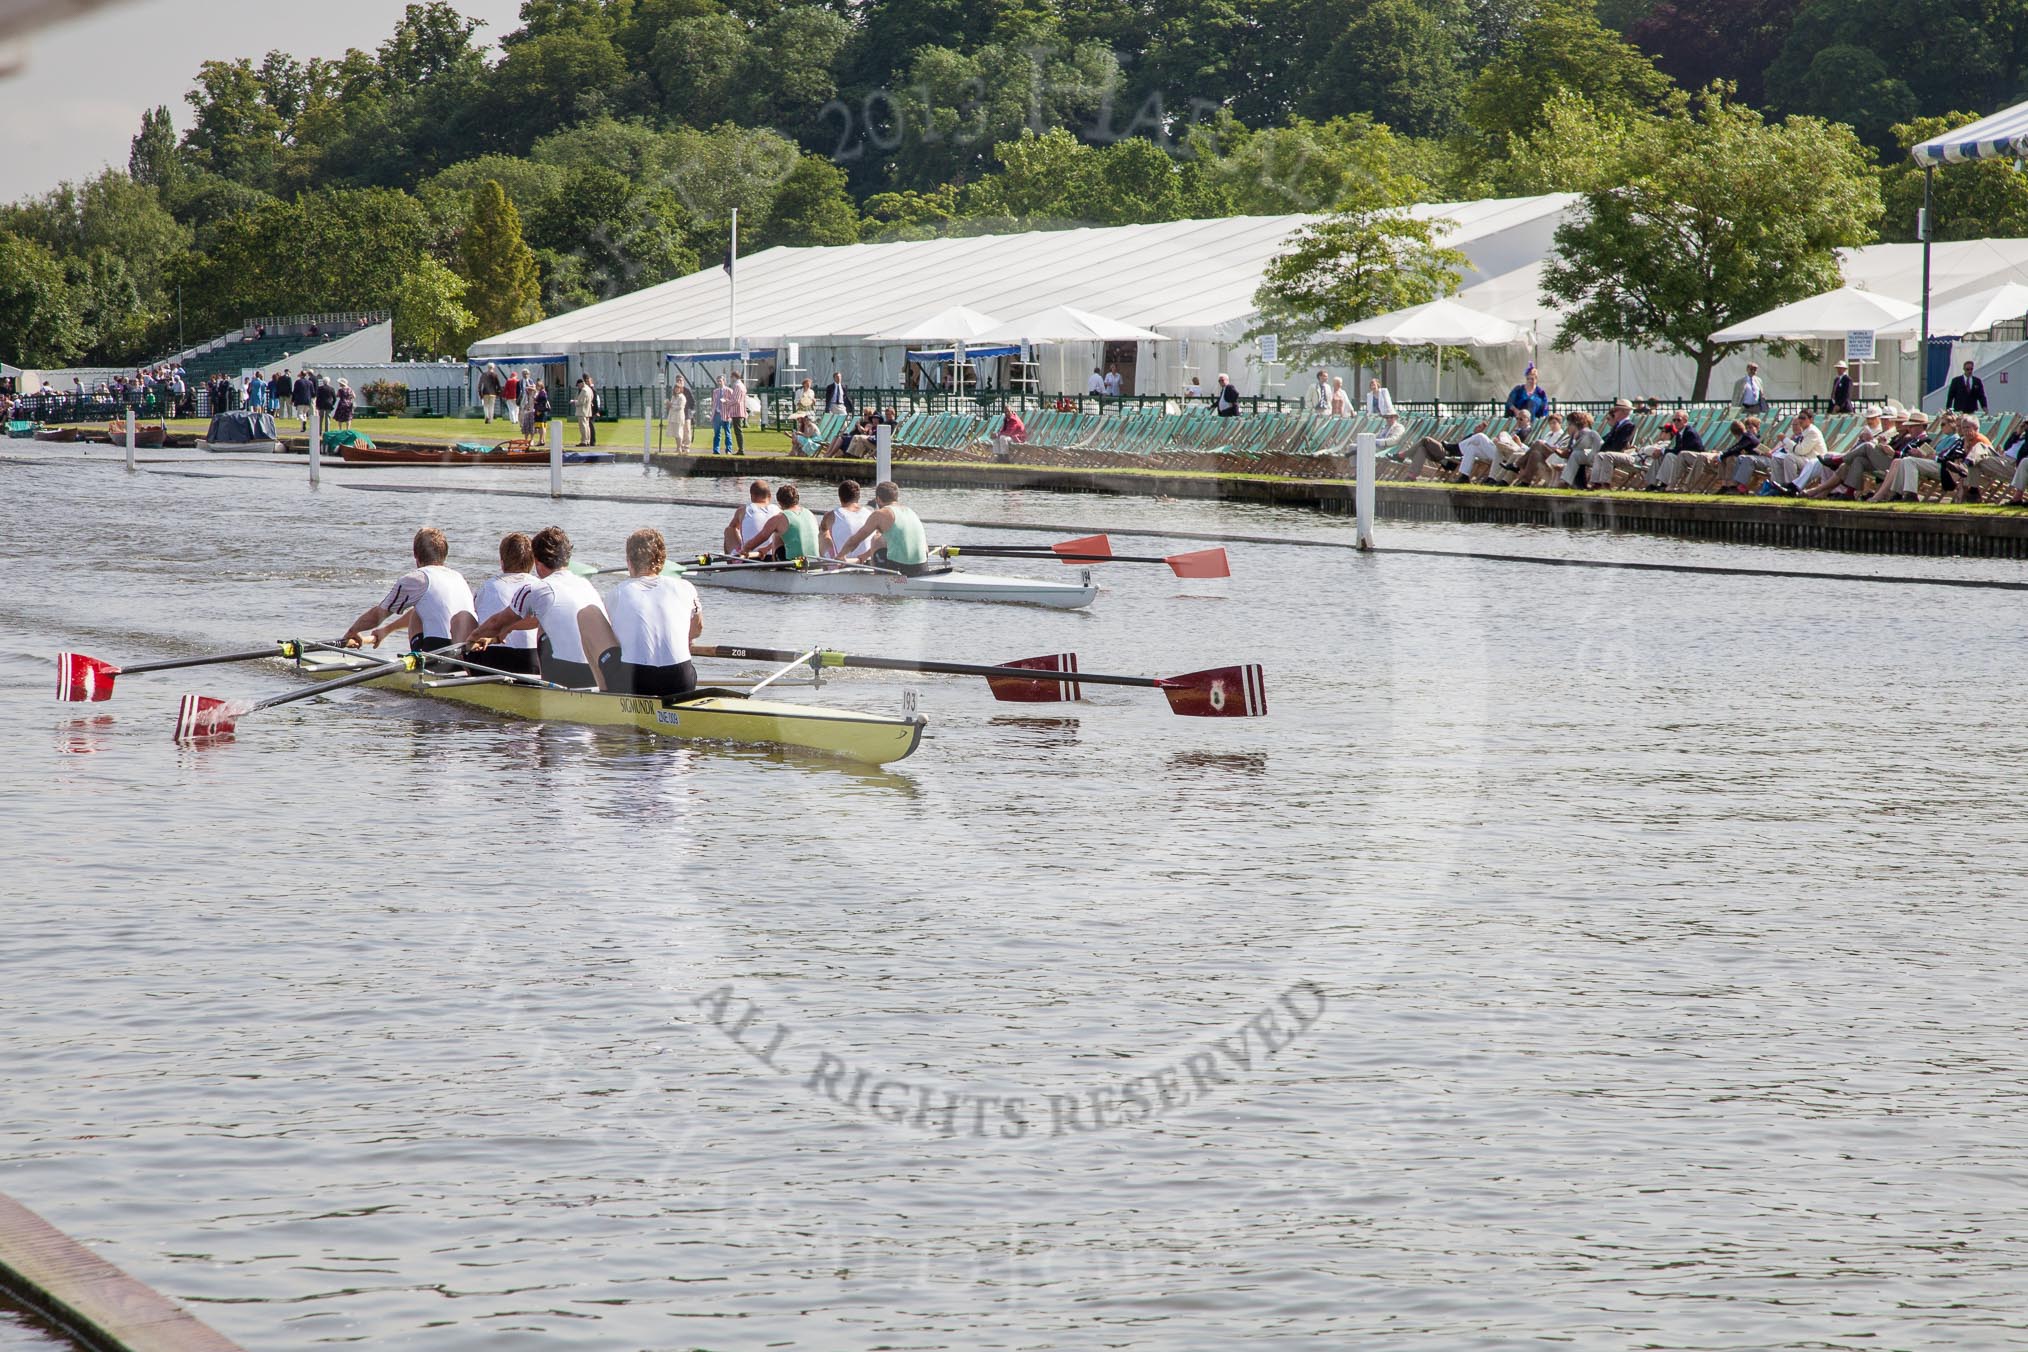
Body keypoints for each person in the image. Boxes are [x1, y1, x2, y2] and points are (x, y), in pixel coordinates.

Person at [468, 525, 606, 688]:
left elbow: (497, 622)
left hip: (566, 677)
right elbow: (528, 622)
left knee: (542, 628)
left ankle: (547, 691)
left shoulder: (536, 588)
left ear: (537, 562)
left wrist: (472, 638)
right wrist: (502, 634)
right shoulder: (586, 585)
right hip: (597, 675)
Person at [577, 528, 703, 697]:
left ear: (629, 561)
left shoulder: (617, 593)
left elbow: (613, 639)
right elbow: (697, 629)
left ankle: (605, 693)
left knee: (586, 614)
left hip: (636, 682)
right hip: (682, 680)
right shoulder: (686, 587)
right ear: (662, 561)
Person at [340, 526, 476, 655]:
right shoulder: (458, 577)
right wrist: (387, 630)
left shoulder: (417, 578)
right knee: (419, 609)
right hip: (467, 653)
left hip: (439, 653)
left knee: (418, 611)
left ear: (415, 555)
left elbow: (378, 615)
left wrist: (353, 631)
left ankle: (419, 666)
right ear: (445, 554)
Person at [468, 532, 541, 676]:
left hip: (492, 661)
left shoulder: (487, 586)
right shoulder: (540, 586)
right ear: (532, 563)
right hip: (532, 663)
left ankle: (467, 674)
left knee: (466, 616)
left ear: (502, 562)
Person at [837, 480, 929, 573]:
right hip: (922, 567)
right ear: (896, 497)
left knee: (876, 539)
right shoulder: (910, 511)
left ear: (878, 499)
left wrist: (840, 556)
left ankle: (879, 578)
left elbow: (855, 540)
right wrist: (863, 557)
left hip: (900, 569)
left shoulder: (880, 514)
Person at [741, 481, 818, 560]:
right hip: (815, 564)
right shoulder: (810, 514)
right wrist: (767, 549)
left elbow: (760, 539)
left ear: (779, 502)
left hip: (794, 566)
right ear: (797, 499)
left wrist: (744, 550)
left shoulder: (779, 518)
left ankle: (777, 567)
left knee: (777, 534)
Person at [822, 480, 872, 558]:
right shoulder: (870, 513)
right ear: (859, 497)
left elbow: (823, 531)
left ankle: (828, 561)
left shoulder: (831, 515)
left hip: (844, 564)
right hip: (868, 563)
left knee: (823, 533)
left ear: (840, 497)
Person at [724, 479, 775, 554]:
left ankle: (733, 560)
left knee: (729, 530)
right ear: (770, 496)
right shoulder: (779, 511)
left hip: (747, 556)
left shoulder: (743, 510)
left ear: (752, 496)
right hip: (773, 557)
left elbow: (732, 528)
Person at [709, 375, 733, 454]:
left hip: (726, 415)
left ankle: (728, 450)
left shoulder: (729, 390)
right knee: (717, 433)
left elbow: (732, 403)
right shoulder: (715, 391)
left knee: (727, 433)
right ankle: (716, 450)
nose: (719, 382)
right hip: (717, 414)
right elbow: (714, 403)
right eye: (718, 381)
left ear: (724, 381)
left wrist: (730, 415)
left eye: (720, 381)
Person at [727, 369, 748, 454]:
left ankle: (741, 449)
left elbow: (736, 399)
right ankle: (741, 449)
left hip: (737, 411)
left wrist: (727, 402)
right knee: (738, 430)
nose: (731, 379)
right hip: (741, 410)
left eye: (731, 377)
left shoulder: (737, 386)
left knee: (738, 431)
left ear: (734, 377)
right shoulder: (742, 385)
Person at [573, 375, 595, 447]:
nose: (578, 387)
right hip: (588, 410)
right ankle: (588, 440)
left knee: (583, 426)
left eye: (578, 385)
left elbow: (581, 402)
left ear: (581, 383)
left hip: (582, 411)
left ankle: (584, 441)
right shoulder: (589, 389)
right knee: (587, 426)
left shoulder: (584, 390)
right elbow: (592, 398)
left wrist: (574, 401)